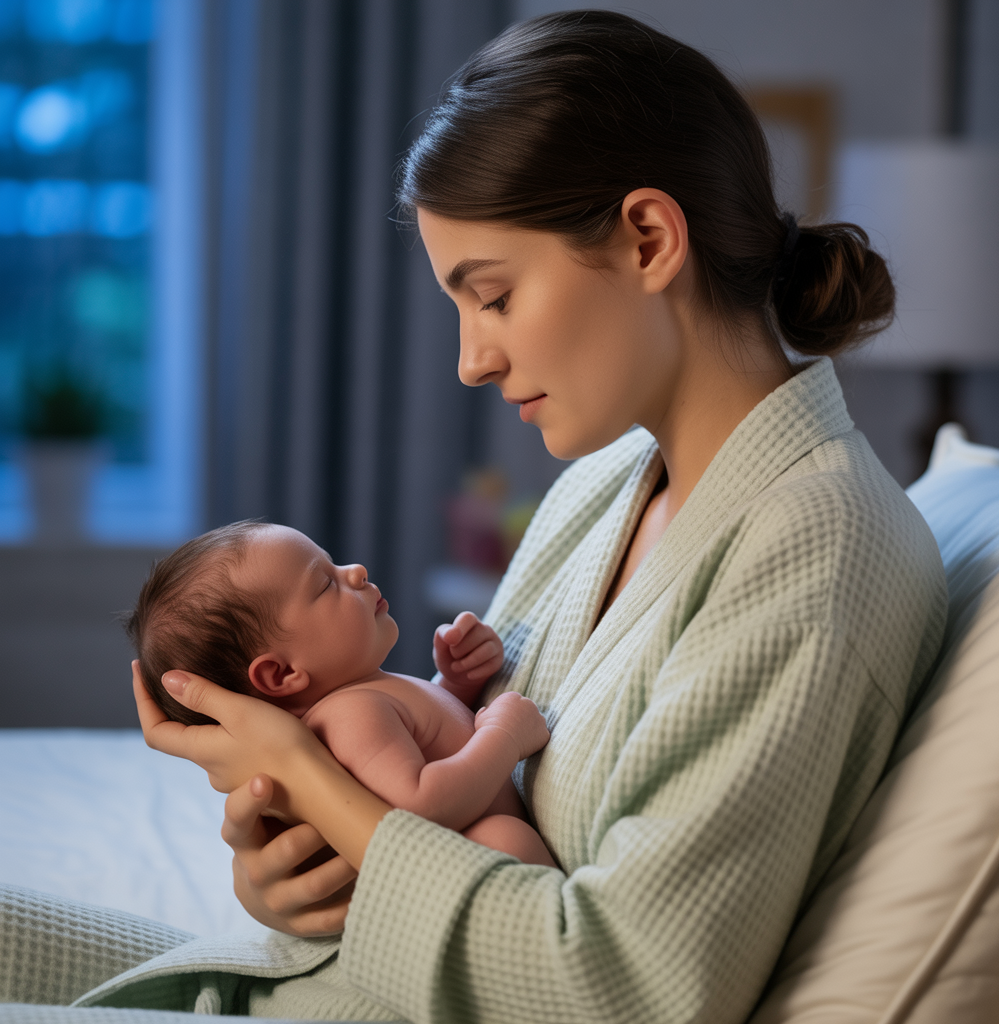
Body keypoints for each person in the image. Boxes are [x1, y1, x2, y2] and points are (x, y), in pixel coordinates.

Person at [0, 11, 947, 1024]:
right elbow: (432, 771)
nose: (471, 360)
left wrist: (290, 766)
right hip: (337, 970)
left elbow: (617, 987)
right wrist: (281, 876)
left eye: (490, 296)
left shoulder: (816, 553)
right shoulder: (609, 481)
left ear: (648, 238)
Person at [124, 519, 554, 867]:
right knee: (504, 840)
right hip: (449, 876)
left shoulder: (362, 696)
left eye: (334, 565)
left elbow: (430, 745)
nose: (356, 572)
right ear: (281, 673)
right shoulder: (352, 714)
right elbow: (422, 808)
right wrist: (505, 738)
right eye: (326, 584)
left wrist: (458, 682)